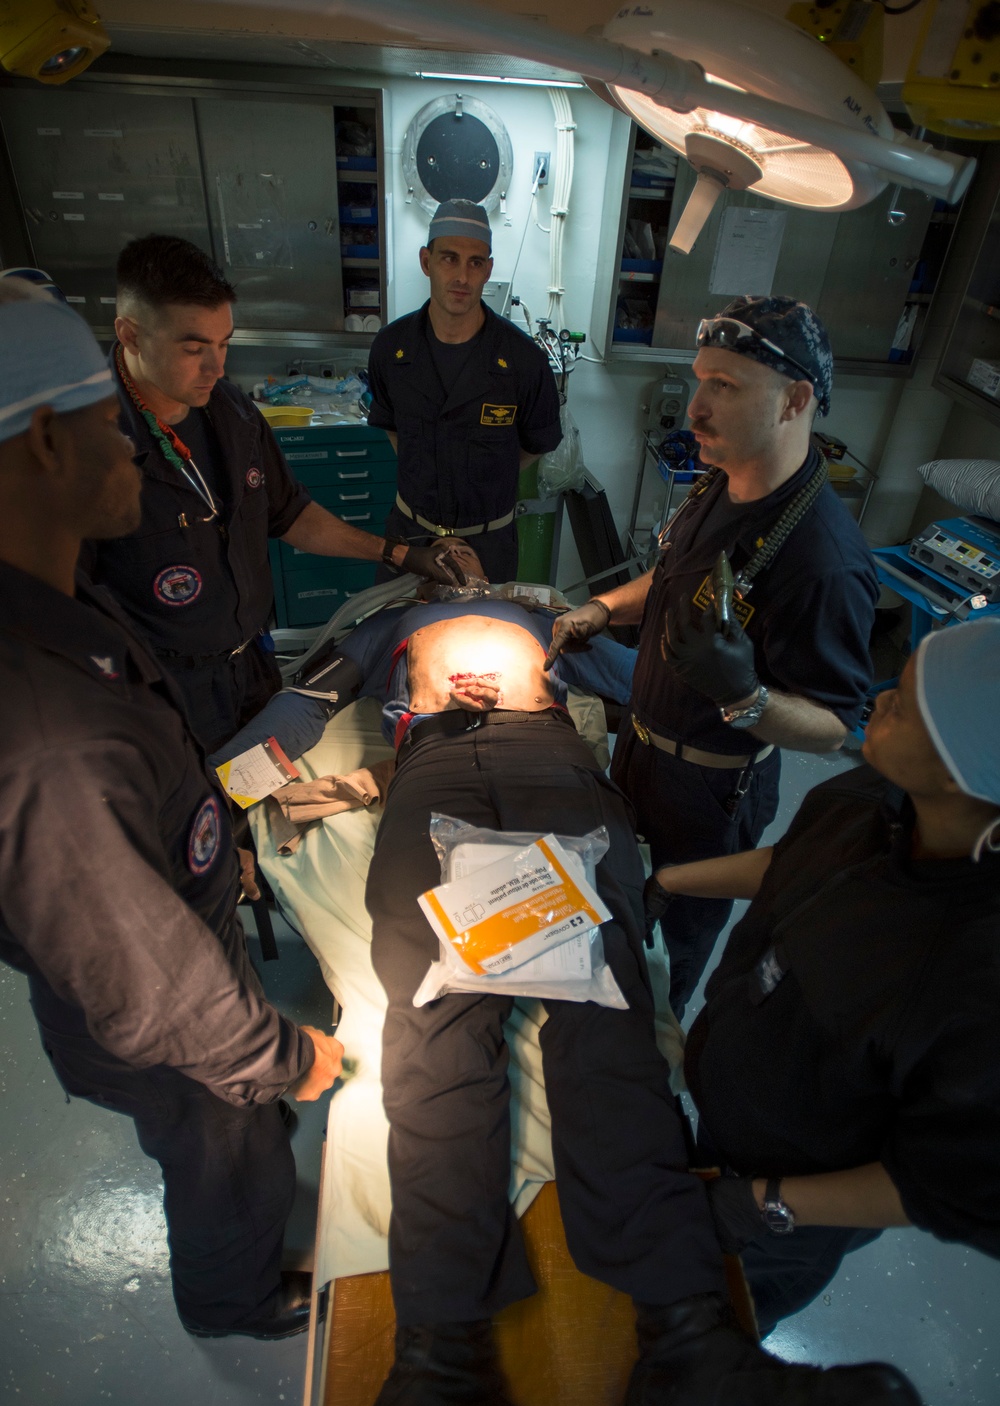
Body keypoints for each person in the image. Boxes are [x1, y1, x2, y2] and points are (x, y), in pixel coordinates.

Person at [237, 549, 932, 1406]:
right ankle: (442, 1385)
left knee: (606, 1024)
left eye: (469, 556)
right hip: (431, 770)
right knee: (434, 1046)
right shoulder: (390, 624)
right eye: (438, 561)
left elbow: (649, 681)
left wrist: (727, 695)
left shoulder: (550, 620)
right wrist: (232, 795)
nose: (458, 559)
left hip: (556, 764)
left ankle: (690, 1356)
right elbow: (307, 707)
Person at [0, 279, 346, 1341]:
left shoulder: (57, 603)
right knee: (225, 1153)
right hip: (169, 1034)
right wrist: (294, 1058)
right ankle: (233, 1301)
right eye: (114, 421)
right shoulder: (50, 730)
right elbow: (150, 986)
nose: (134, 450)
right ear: (49, 439)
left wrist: (207, 841)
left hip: (174, 943)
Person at [648, 618, 1000, 1339]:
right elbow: (797, 864)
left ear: (966, 767)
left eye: (903, 705)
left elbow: (933, 1182)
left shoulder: (972, 971)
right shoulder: (878, 797)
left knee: (704, 1331)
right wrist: (670, 882)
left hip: (793, 1201)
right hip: (724, 1120)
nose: (876, 700)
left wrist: (763, 1204)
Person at [547, 295, 880, 1017]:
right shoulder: (719, 483)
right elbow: (669, 575)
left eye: (723, 387)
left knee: (669, 953)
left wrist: (748, 697)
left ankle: (646, 1075)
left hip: (709, 796)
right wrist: (604, 608)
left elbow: (834, 728)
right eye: (699, 380)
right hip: (639, 751)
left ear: (796, 400)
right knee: (616, 908)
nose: (694, 409)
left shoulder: (825, 562)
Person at [81, 234, 462, 755]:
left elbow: (291, 514)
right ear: (131, 335)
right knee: (196, 816)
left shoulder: (231, 414)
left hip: (250, 672)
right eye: (194, 349)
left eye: (224, 344)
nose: (216, 368)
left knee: (253, 796)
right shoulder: (86, 453)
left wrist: (400, 553)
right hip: (164, 695)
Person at [366, 199, 563, 584]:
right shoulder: (391, 349)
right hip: (411, 540)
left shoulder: (523, 360)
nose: (462, 276)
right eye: (449, 259)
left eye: (475, 263)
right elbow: (395, 429)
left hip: (489, 546)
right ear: (426, 261)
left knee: (486, 640)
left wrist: (485, 475)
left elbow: (536, 444)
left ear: (488, 269)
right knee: (395, 637)